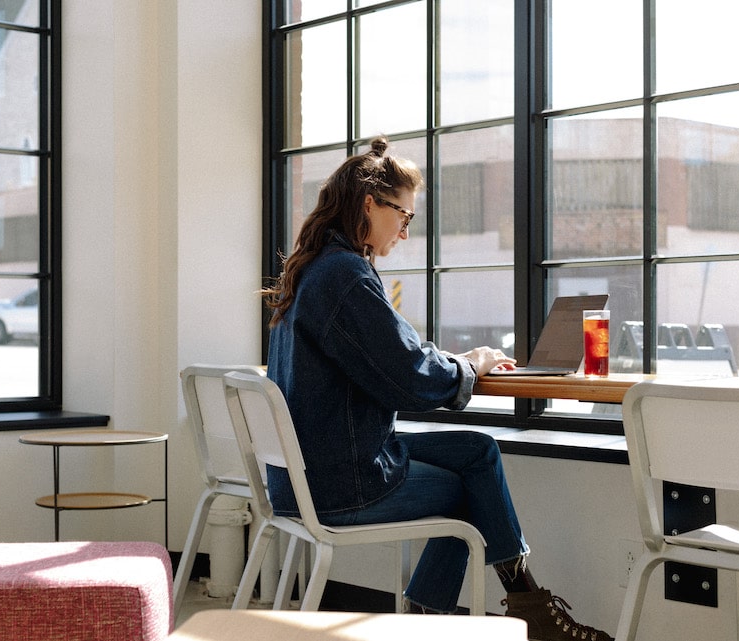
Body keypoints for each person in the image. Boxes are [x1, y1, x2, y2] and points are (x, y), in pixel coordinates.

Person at [261, 136, 613, 641]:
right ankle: (503, 611)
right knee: (471, 486)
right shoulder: (345, 276)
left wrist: (460, 363)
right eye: (404, 217)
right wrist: (470, 367)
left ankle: (497, 607)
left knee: (476, 451)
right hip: (338, 482)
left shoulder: (316, 271)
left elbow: (396, 356)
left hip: (308, 472)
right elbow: (410, 380)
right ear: (368, 203)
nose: (405, 233)